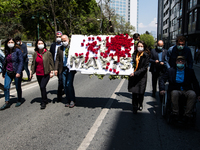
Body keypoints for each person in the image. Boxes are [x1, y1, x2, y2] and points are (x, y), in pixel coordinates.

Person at [159, 56, 200, 122]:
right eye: (179, 61)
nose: (180, 62)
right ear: (176, 62)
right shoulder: (171, 70)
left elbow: (195, 83)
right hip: (175, 89)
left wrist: (198, 94)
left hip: (186, 89)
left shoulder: (190, 71)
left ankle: (187, 114)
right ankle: (175, 113)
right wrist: (162, 89)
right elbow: (162, 79)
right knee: (175, 93)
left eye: (182, 61)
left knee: (193, 94)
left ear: (185, 63)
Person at [30, 39, 54, 109]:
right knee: (42, 87)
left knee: (42, 86)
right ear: (36, 45)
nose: (40, 44)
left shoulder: (48, 53)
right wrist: (31, 72)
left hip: (46, 73)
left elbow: (51, 63)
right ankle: (45, 99)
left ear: (44, 44)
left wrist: (51, 72)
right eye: (39, 43)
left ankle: (43, 102)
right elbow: (33, 64)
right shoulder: (35, 54)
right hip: (38, 73)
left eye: (41, 43)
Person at [0, 38, 23, 110]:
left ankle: (19, 99)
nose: (10, 43)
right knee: (6, 87)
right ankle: (7, 102)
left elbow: (21, 62)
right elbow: (5, 63)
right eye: (9, 42)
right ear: (7, 43)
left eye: (12, 42)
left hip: (16, 72)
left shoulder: (18, 51)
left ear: (14, 43)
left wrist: (19, 72)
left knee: (17, 87)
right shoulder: (6, 51)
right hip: (8, 71)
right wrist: (3, 72)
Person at [128, 41, 150, 114]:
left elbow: (144, 68)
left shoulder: (146, 56)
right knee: (134, 92)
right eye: (138, 46)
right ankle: (134, 106)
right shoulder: (134, 54)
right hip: (134, 76)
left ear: (144, 47)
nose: (140, 47)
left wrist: (135, 73)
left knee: (141, 92)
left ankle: (140, 103)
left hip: (142, 76)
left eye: (141, 46)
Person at [54, 35, 76, 108]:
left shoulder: (72, 48)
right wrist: (56, 69)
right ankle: (68, 99)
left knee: (69, 84)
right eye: (62, 41)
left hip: (70, 69)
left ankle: (72, 100)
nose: (63, 42)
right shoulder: (60, 48)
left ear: (68, 40)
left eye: (64, 40)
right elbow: (57, 59)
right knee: (64, 85)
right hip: (62, 69)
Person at [50, 31, 63, 102]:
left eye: (59, 37)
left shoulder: (63, 45)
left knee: (60, 80)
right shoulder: (53, 45)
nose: (58, 38)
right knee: (60, 79)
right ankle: (60, 92)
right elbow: (50, 54)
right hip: (54, 63)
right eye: (57, 37)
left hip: (61, 65)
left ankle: (59, 94)